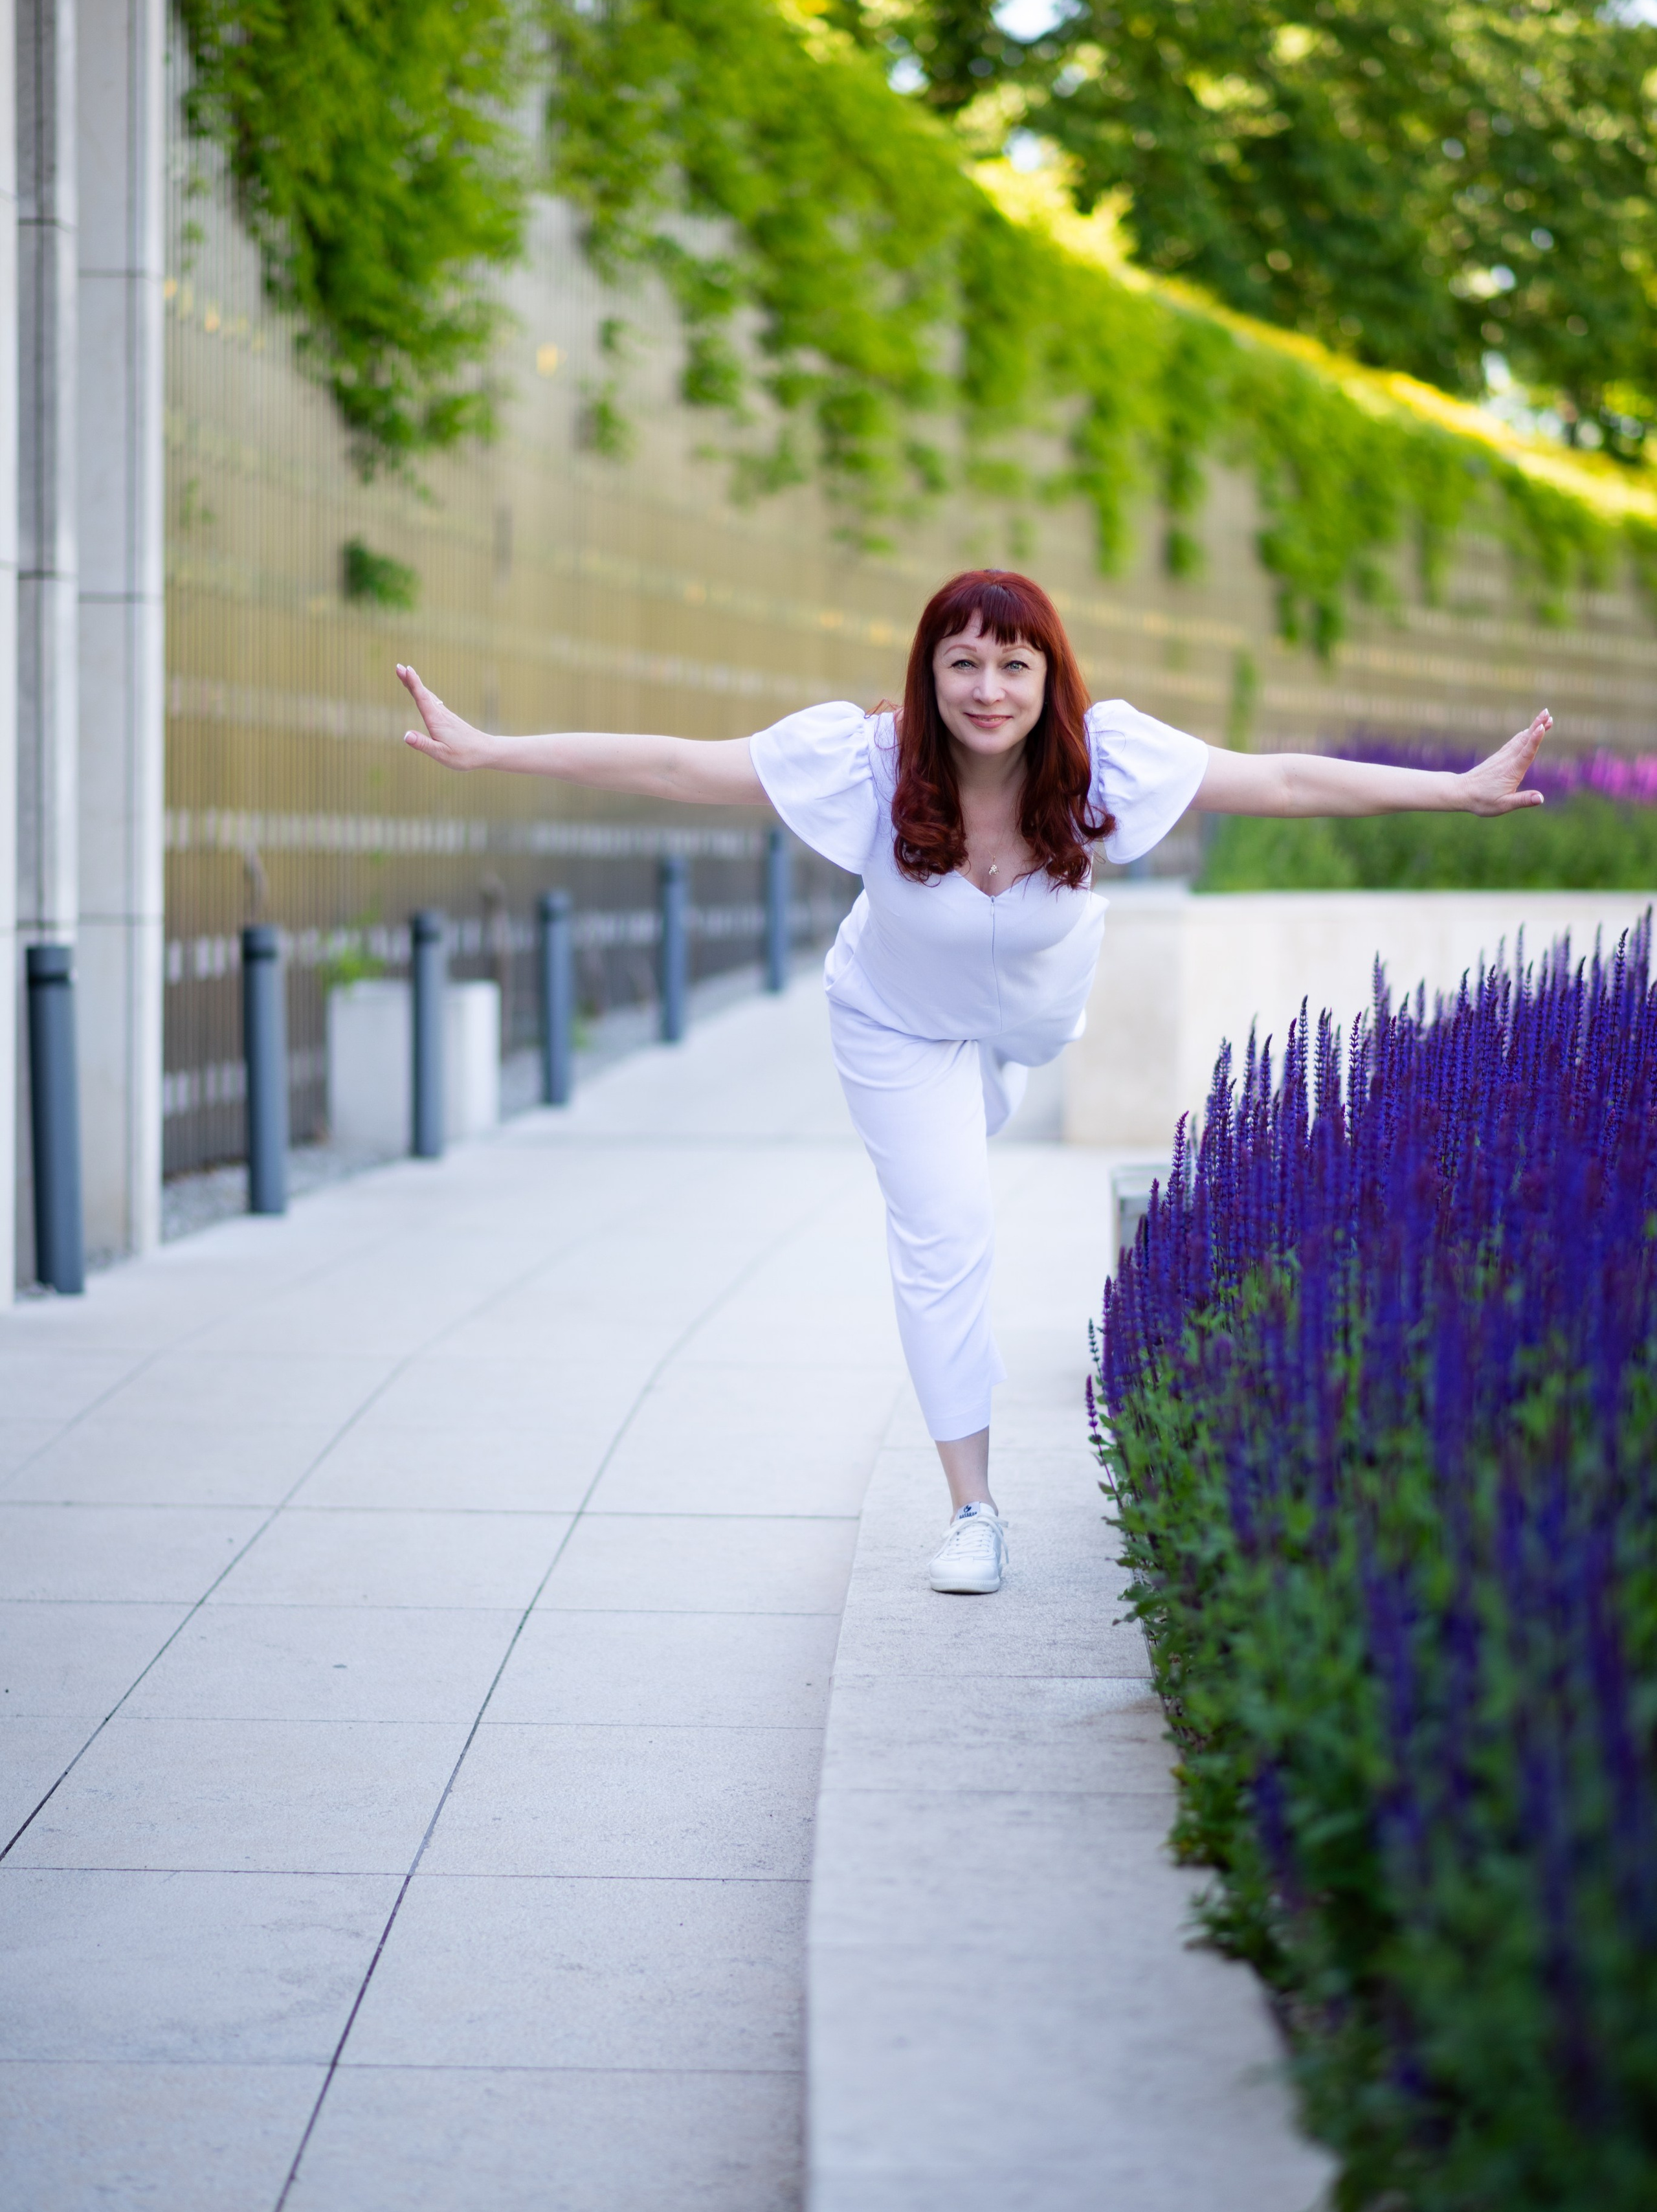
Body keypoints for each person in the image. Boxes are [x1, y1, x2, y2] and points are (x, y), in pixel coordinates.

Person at [396, 567, 1551, 1596]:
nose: (987, 687)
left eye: (1013, 661)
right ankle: (973, 1510)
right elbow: (673, 764)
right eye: (962, 663)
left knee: (999, 1082)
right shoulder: (864, 764)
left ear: (1051, 674)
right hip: (897, 1020)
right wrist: (491, 749)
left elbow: (1285, 783)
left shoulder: (1112, 763)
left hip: (1036, 1020)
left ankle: (984, 1096)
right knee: (947, 1232)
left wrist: (1455, 791)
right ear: (928, 673)